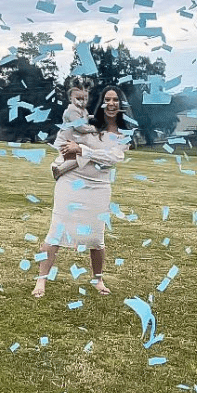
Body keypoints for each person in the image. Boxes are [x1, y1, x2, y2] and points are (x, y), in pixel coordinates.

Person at [32, 86, 131, 298]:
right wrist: (68, 152)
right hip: (72, 182)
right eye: (107, 100)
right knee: (56, 231)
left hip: (99, 187)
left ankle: (98, 279)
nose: (111, 104)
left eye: (115, 100)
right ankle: (41, 280)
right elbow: (63, 141)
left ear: (121, 105)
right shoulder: (88, 122)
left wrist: (82, 150)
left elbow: (111, 159)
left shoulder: (124, 135)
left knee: (97, 236)